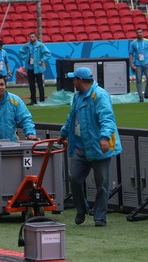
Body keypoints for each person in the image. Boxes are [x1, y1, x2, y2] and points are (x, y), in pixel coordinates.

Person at [57, 67, 122, 227]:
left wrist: (105, 138)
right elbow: (71, 118)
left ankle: (100, 217)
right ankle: (81, 208)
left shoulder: (99, 95)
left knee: (102, 184)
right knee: (74, 180)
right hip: (80, 146)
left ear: (80, 80)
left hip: (98, 147)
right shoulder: (77, 96)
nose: (72, 81)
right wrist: (64, 133)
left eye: (74, 79)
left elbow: (108, 119)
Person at [19, 32, 51, 105]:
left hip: (38, 68)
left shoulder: (40, 45)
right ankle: (33, 100)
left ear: (36, 37)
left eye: (33, 37)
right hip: (30, 67)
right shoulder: (27, 45)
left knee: (40, 84)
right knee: (31, 85)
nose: (31, 38)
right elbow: (20, 52)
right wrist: (25, 58)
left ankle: (42, 100)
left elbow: (48, 54)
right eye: (30, 37)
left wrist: (42, 60)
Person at [129, 28, 148, 102]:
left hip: (146, 64)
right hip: (138, 64)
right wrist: (131, 64)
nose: (139, 34)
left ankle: (146, 94)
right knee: (138, 81)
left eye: (140, 32)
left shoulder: (147, 41)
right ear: (136, 34)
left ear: (143, 33)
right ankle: (141, 97)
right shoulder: (133, 43)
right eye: (137, 32)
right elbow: (131, 54)